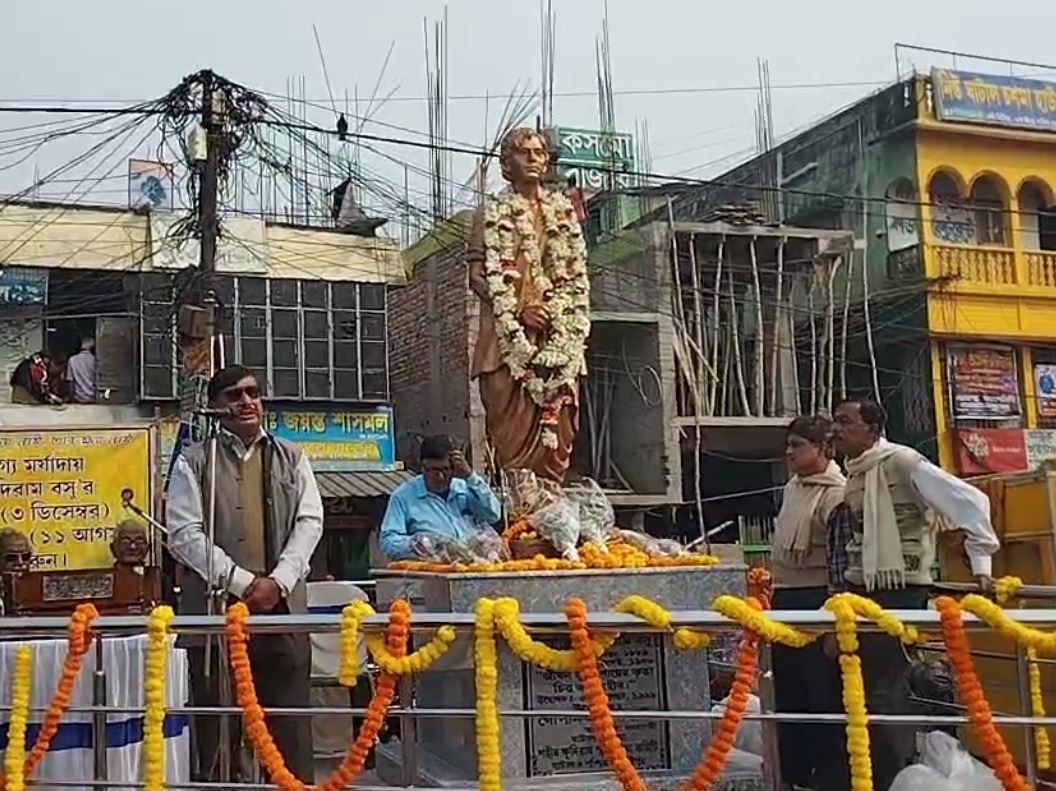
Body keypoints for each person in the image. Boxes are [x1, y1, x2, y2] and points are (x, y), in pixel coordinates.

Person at [827, 397, 1000, 791]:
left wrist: (982, 568)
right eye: (834, 422)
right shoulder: (853, 473)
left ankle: (894, 778)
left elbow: (972, 503)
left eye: (845, 422)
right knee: (862, 692)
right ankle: (876, 777)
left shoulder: (903, 463)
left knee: (887, 691)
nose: (836, 430)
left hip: (899, 591)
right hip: (860, 593)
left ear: (872, 428)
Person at [166, 365, 322, 783]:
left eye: (252, 393)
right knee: (217, 736)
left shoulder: (292, 456)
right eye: (234, 395)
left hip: (282, 617)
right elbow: (184, 536)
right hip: (216, 621)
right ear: (215, 408)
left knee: (289, 736)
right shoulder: (194, 461)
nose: (246, 401)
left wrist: (278, 583)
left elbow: (310, 522)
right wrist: (243, 584)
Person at [467, 127, 591, 483]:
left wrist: (559, 314)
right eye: (525, 153)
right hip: (507, 345)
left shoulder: (564, 215)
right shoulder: (490, 214)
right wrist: (518, 311)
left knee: (561, 428)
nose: (535, 159)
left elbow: (575, 277)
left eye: (540, 153)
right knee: (510, 440)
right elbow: (476, 276)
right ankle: (519, 518)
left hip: (559, 339)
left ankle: (551, 509)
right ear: (507, 165)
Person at [770, 415, 846, 791]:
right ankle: (794, 774)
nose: (790, 453)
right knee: (789, 691)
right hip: (785, 596)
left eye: (798, 445)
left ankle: (828, 777)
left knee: (821, 691)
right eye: (789, 445)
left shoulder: (837, 494)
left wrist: (833, 618)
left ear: (824, 450)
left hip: (819, 598)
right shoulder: (792, 488)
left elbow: (841, 561)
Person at [379, 435, 502, 561]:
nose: (440, 476)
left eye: (445, 470)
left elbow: (493, 515)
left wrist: (470, 477)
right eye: (433, 470)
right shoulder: (403, 496)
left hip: (476, 565)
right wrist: (419, 544)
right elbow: (388, 542)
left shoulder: (465, 488)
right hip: (434, 571)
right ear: (423, 468)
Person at [66, 338, 96, 404]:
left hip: (78, 399)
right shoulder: (96, 360)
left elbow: (70, 382)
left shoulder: (72, 360)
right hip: (94, 398)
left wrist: (69, 398)